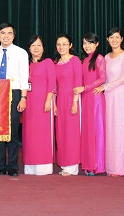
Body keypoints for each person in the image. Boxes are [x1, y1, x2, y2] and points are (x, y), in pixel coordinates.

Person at [0, 22, 29, 177]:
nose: (6, 36)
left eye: (9, 33)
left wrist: (23, 97)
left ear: (14, 36)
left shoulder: (21, 53)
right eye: (3, 33)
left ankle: (12, 166)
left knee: (12, 131)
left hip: (15, 93)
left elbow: (24, 76)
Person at [22, 35, 56, 176]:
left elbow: (52, 82)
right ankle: (30, 165)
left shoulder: (48, 62)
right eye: (33, 45)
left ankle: (43, 165)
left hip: (43, 103)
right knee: (29, 134)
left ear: (43, 48)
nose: (36, 48)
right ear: (29, 48)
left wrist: (48, 100)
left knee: (42, 133)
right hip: (28, 103)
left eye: (39, 45)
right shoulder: (25, 64)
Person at [74, 32, 106, 176]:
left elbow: (102, 79)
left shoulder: (99, 58)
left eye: (90, 43)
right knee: (87, 132)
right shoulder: (85, 60)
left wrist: (85, 88)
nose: (87, 46)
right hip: (85, 98)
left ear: (96, 44)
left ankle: (96, 165)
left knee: (96, 131)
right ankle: (88, 164)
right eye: (85, 43)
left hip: (95, 98)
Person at [103, 28, 124, 176]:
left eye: (117, 37)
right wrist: (104, 88)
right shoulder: (106, 57)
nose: (114, 40)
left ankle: (120, 167)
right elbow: (104, 77)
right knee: (110, 129)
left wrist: (105, 87)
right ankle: (110, 166)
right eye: (111, 37)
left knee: (120, 128)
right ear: (107, 40)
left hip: (120, 95)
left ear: (121, 39)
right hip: (108, 96)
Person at [54, 34, 83, 176]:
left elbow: (78, 81)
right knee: (61, 132)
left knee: (71, 133)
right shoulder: (56, 62)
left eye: (65, 44)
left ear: (70, 45)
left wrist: (75, 102)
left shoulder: (75, 60)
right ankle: (64, 164)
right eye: (59, 44)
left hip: (72, 98)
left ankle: (72, 167)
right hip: (60, 100)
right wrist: (54, 103)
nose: (61, 47)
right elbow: (54, 85)